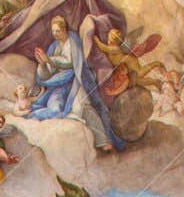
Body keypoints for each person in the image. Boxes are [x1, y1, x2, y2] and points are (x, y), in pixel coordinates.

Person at [31, 15, 125, 153]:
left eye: (58, 31)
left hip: (77, 81)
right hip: (60, 85)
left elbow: (71, 63)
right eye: (53, 31)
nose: (55, 34)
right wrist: (43, 64)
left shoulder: (73, 40)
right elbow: (48, 74)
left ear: (65, 29)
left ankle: (104, 141)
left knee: (82, 106)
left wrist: (49, 60)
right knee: (55, 108)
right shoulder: (54, 47)